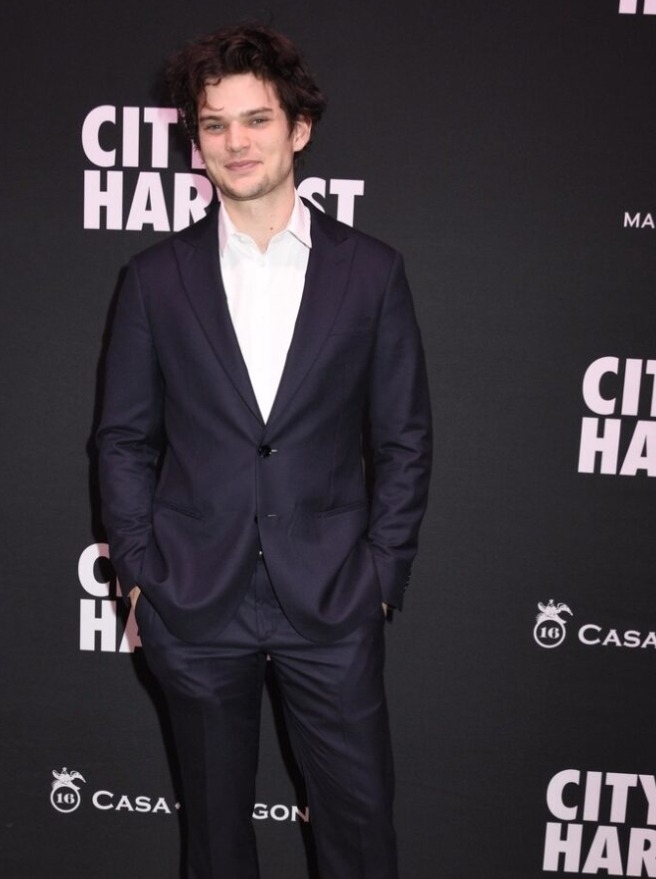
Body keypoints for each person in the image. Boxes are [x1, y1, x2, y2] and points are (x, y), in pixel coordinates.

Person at [97, 22, 432, 879]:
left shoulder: (371, 273)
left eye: (256, 119)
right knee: (215, 841)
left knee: (360, 835)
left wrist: (379, 578)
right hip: (194, 601)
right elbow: (124, 439)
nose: (235, 142)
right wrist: (139, 576)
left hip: (332, 597)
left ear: (299, 128)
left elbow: (403, 438)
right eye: (215, 125)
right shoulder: (154, 279)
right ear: (197, 140)